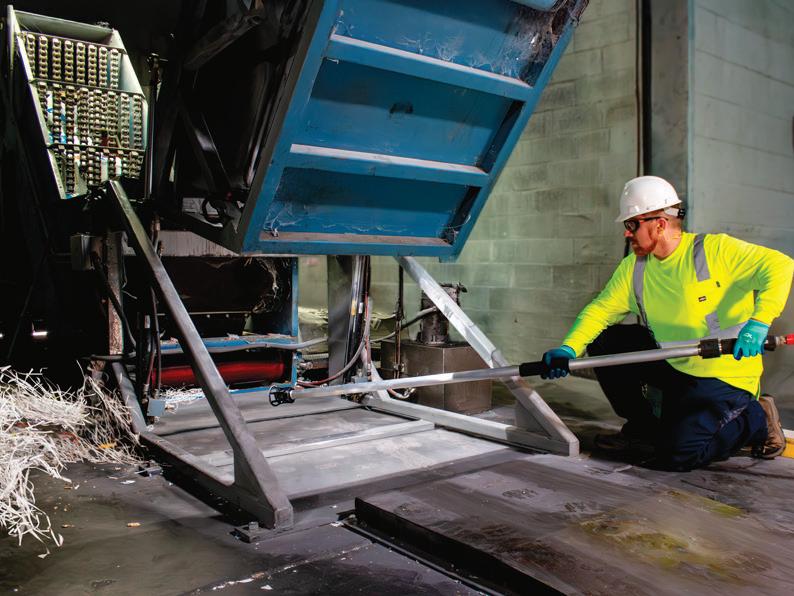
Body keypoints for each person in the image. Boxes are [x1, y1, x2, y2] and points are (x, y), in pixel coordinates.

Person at [540, 175, 794, 471]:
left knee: (678, 455)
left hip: (723, 373)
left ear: (659, 224)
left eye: (632, 224)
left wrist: (759, 321)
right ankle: (643, 427)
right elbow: (601, 310)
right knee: (606, 341)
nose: (627, 233)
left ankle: (757, 418)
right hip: (674, 361)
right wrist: (569, 349)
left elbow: (780, 266)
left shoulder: (714, 251)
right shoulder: (634, 267)